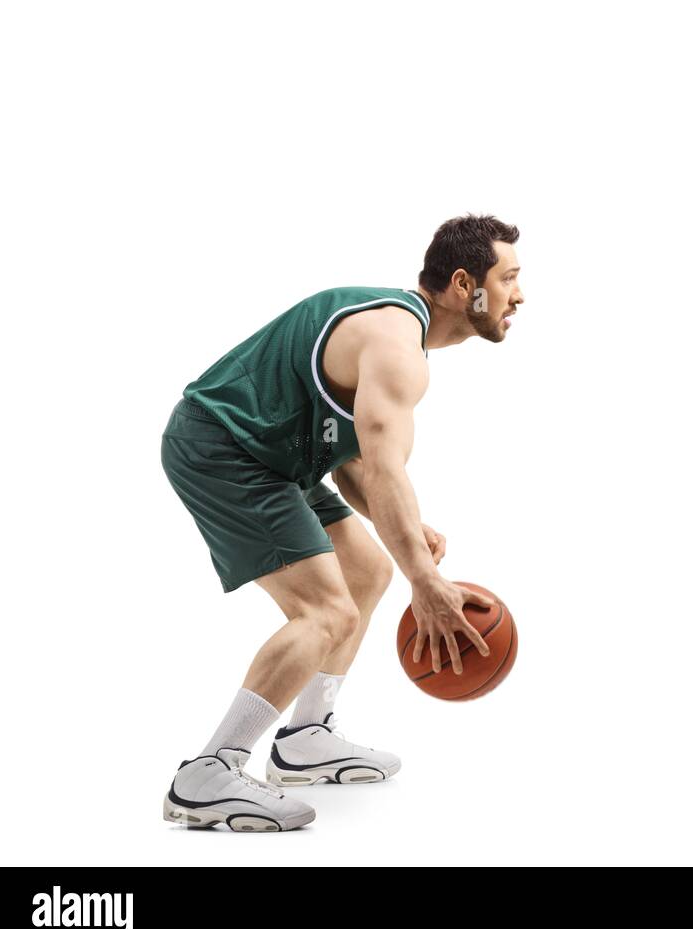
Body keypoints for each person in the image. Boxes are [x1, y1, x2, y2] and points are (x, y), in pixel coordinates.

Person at [160, 214, 524, 831]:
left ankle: (304, 738)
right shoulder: (395, 346)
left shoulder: (390, 332)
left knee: (366, 569)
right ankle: (208, 773)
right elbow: (382, 472)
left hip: (276, 456)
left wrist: (407, 532)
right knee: (327, 612)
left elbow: (353, 464)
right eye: (509, 277)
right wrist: (425, 580)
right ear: (466, 285)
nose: (520, 294)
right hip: (224, 447)